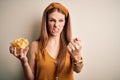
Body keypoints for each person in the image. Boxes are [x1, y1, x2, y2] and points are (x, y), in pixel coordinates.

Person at [9, 2, 83, 80]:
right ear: (46, 22)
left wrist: (77, 55)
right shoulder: (35, 45)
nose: (56, 25)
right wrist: (24, 62)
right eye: (52, 20)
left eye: (61, 20)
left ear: (65, 22)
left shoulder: (71, 45)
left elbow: (78, 70)